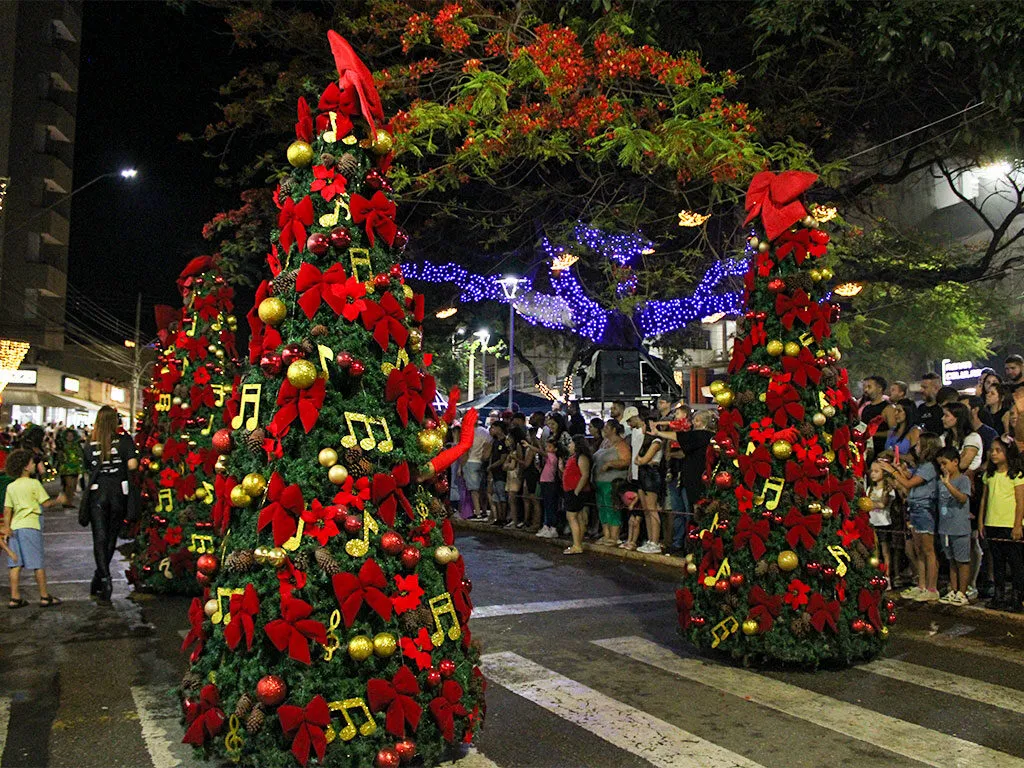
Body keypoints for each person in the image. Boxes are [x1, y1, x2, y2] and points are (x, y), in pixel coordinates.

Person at [82, 405, 139, 605]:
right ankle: (102, 576)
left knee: (99, 537)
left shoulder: (90, 443)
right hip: (118, 493)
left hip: (97, 494)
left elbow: (88, 467)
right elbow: (132, 466)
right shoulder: (124, 441)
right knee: (111, 537)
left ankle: (103, 578)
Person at [2, 448, 67, 608]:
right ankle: (44, 596)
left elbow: (7, 509)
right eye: (32, 463)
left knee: (15, 565)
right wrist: (59, 500)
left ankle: (15, 597)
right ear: (25, 467)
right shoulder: (34, 483)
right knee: (37, 564)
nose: (34, 465)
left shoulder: (11, 486)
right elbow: (45, 503)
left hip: (15, 527)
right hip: (31, 527)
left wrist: (7, 528)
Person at [884, 432, 941, 602]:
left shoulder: (929, 466)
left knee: (928, 550)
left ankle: (932, 588)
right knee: (919, 550)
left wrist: (893, 472)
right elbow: (910, 478)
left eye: (918, 445)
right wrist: (901, 470)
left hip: (925, 510)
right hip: (915, 508)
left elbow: (908, 483)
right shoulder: (921, 466)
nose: (915, 448)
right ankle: (921, 585)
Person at [979, 439, 1024, 611]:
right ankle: (999, 595)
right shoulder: (989, 475)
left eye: (998, 450)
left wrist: (1017, 525)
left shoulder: (1017, 475)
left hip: (1009, 524)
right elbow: (984, 499)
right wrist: (982, 521)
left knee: (1015, 563)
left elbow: (1020, 502)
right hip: (993, 523)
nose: (994, 453)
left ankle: (1016, 596)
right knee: (997, 561)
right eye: (992, 450)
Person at [935, 446, 972, 605]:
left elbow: (963, 498)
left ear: (955, 462)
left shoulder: (963, 480)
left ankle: (963, 592)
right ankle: (954, 589)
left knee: (962, 561)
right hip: (945, 528)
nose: (942, 467)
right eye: (940, 465)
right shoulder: (939, 482)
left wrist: (948, 485)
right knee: (951, 560)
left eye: (945, 463)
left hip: (960, 528)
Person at [592, 419, 630, 546]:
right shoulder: (604, 442)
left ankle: (614, 536)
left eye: (607, 427)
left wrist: (611, 464)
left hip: (612, 481)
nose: (604, 429)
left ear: (614, 429)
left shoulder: (621, 444)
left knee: (612, 508)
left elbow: (626, 460)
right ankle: (606, 534)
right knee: (602, 508)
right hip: (599, 481)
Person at [632, 413, 665, 554]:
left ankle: (655, 541)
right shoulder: (645, 441)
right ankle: (650, 539)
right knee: (646, 510)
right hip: (643, 474)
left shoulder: (656, 441)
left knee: (652, 509)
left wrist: (642, 460)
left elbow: (642, 460)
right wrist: (641, 460)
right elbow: (637, 459)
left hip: (651, 476)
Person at [867, 461, 897, 589]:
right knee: (874, 552)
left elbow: (883, 504)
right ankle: (875, 575)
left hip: (883, 524)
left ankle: (887, 577)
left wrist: (869, 504)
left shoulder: (888, 490)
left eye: (876, 471)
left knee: (885, 552)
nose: (873, 474)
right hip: (872, 523)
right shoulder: (869, 489)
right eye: (872, 471)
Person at [561, 435, 592, 555]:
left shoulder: (581, 457)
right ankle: (577, 542)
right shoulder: (573, 457)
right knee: (577, 518)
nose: (569, 445)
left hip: (576, 491)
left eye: (571, 443)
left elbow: (585, 475)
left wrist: (577, 491)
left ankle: (577, 545)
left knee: (572, 517)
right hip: (571, 490)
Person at [462, 418, 491, 520]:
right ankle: (484, 510)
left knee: (474, 490)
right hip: (481, 462)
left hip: (470, 461)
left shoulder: (467, 433)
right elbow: (488, 446)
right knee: (482, 488)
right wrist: (484, 457)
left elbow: (465, 450)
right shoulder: (484, 431)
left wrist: (461, 467)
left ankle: (477, 512)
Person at [940, 401, 982, 472]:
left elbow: (963, 464)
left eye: (946, 415)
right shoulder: (945, 437)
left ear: (958, 418)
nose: (942, 418)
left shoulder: (973, 437)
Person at [536, 437, 561, 539]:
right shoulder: (550, 458)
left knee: (550, 505)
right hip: (545, 482)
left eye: (550, 447)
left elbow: (540, 451)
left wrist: (531, 446)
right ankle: (547, 525)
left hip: (549, 483)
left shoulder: (552, 457)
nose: (547, 449)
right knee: (547, 505)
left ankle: (552, 527)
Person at [859, 376, 889, 459]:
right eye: (865, 387)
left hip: (881, 452)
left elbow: (894, 433)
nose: (866, 390)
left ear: (879, 388)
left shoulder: (888, 408)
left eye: (869, 387)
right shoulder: (866, 408)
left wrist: (872, 435)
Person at [487, 420, 509, 526]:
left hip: (501, 473)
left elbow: (502, 458)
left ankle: (503, 517)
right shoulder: (495, 441)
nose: (492, 430)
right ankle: (499, 517)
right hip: (495, 473)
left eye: (494, 428)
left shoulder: (505, 441)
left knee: (501, 496)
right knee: (496, 496)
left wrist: (491, 466)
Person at [503, 426, 525, 528]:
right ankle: (513, 518)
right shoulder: (511, 450)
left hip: (515, 475)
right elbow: (505, 466)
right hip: (510, 475)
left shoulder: (518, 447)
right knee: (510, 499)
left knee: (513, 499)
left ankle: (516, 520)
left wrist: (511, 462)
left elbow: (513, 465)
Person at [56, 428, 84, 507]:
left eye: (71, 435)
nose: (70, 437)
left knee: (73, 486)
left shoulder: (76, 445)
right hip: (66, 468)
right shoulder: (63, 446)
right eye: (68, 436)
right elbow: (60, 456)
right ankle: (66, 501)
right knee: (68, 485)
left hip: (76, 467)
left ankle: (69, 501)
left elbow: (81, 454)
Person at [917, 372, 944, 436]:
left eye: (925, 387)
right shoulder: (920, 409)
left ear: (936, 388)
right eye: (921, 387)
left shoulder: (943, 408)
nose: (921, 390)